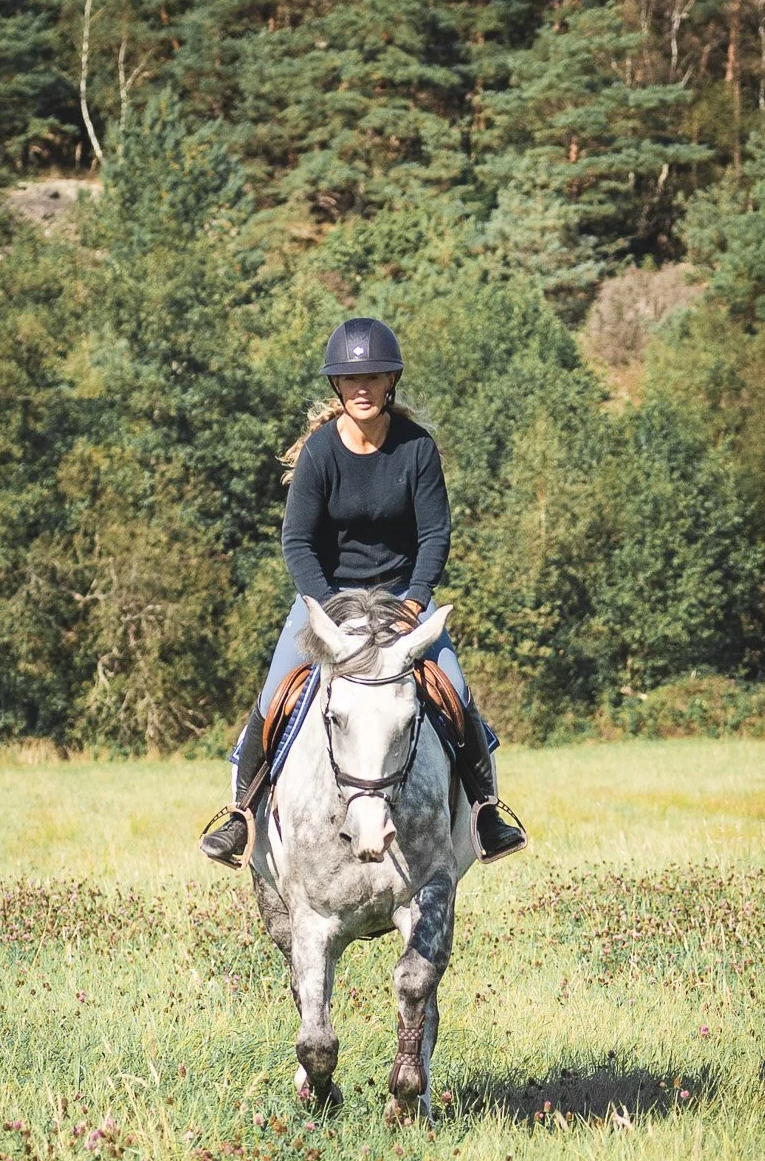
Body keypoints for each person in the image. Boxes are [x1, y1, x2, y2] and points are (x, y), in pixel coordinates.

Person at [200, 316, 527, 867]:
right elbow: (297, 540)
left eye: (373, 378)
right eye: (351, 380)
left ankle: (487, 813)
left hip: (402, 599)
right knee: (275, 692)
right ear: (337, 387)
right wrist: (326, 608)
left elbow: (434, 534)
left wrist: (416, 601)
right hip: (329, 600)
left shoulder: (417, 449)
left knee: (456, 690)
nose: (362, 388)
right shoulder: (320, 454)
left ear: (389, 382)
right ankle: (241, 814)